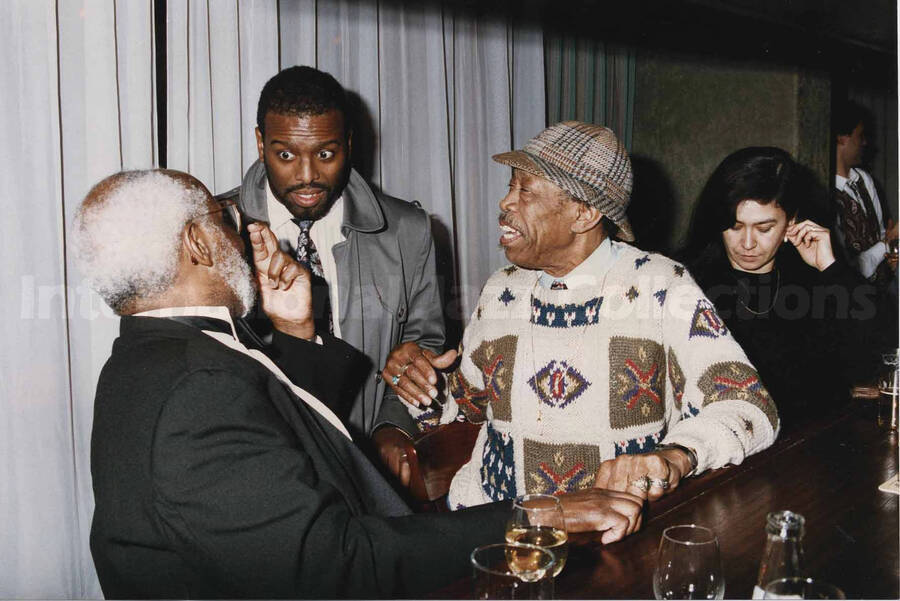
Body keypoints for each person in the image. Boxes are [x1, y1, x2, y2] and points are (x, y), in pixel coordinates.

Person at [76, 169, 646, 599]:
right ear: (198, 245)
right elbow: (333, 564)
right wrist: (535, 515)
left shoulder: (151, 360)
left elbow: (284, 457)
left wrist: (296, 328)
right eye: (223, 216)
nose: (242, 230)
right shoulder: (195, 388)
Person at [382, 122, 779, 509]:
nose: (506, 203)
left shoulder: (660, 287)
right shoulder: (502, 289)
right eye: (510, 187)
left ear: (585, 214)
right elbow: (469, 404)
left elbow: (749, 407)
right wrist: (424, 386)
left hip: (610, 532)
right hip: (497, 520)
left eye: (526, 191)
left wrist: (676, 455)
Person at [217, 65, 450, 447]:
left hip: (366, 456)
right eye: (286, 154)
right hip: (261, 456)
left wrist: (393, 427)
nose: (307, 175)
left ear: (349, 143)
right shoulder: (218, 233)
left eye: (326, 153)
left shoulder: (407, 229)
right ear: (261, 144)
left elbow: (423, 340)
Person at [680, 147, 892, 424]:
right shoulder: (686, 280)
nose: (747, 243)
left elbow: (878, 352)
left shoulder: (813, 280)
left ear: (791, 222)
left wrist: (832, 269)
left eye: (764, 228)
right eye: (734, 226)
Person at [831, 100, 898, 289]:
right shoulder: (827, 193)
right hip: (852, 295)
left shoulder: (864, 179)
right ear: (842, 138)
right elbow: (851, 268)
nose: (864, 142)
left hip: (882, 289)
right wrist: (888, 242)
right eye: (860, 136)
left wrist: (891, 255)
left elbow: (881, 232)